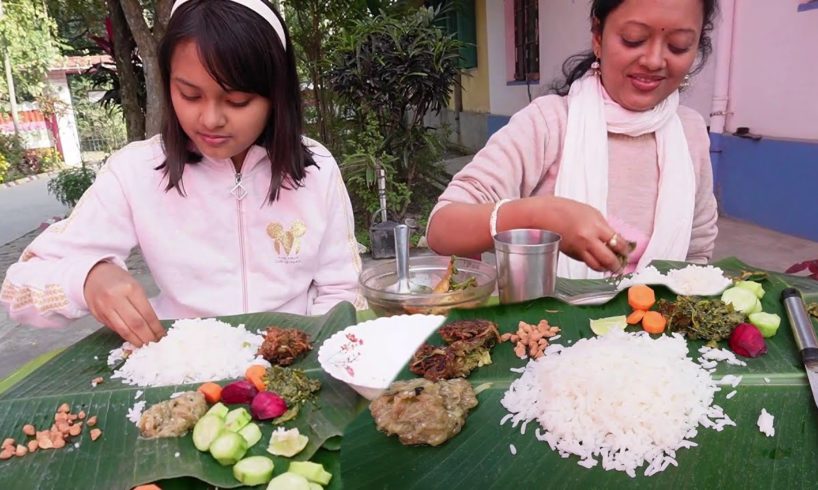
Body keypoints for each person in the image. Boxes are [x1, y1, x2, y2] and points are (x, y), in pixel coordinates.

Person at [0, 0, 365, 347]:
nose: (210, 120)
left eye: (238, 102)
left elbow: (341, 290)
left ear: (277, 95)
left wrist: (315, 358)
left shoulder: (315, 169)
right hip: (183, 376)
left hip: (292, 368)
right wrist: (88, 279)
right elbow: (19, 287)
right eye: (190, 95)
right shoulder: (136, 172)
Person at [426, 0, 719, 279]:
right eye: (633, 39)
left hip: (656, 327)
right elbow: (442, 228)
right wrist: (538, 218)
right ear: (598, 36)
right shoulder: (548, 124)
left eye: (678, 46)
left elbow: (697, 252)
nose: (654, 61)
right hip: (547, 327)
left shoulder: (689, 132)